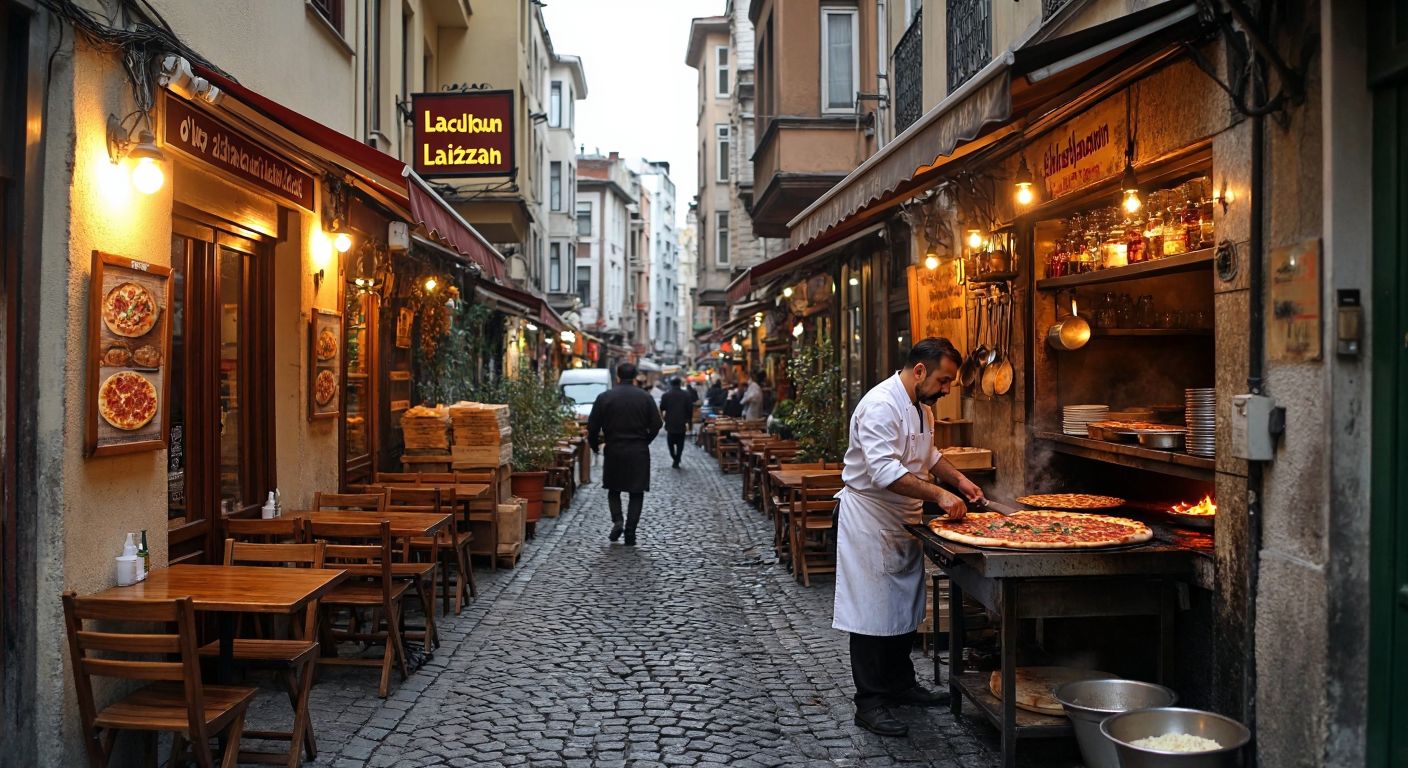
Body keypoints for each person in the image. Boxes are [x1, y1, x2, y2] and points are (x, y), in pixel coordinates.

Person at [833, 337, 984, 737]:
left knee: (902, 607)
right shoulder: (880, 406)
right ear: (920, 371)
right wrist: (938, 493)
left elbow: (929, 456)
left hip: (903, 518)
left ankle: (900, 685)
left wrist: (959, 480)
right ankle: (869, 702)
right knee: (869, 613)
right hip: (869, 517)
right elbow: (884, 472)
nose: (948, 388)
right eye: (944, 380)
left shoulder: (921, 408)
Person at [587, 362, 664, 545]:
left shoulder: (605, 397)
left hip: (614, 449)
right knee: (636, 492)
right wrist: (646, 440)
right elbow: (657, 424)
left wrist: (594, 445)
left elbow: (592, 426)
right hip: (638, 450)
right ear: (636, 376)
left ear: (617, 377)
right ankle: (630, 532)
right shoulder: (645, 397)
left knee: (613, 488)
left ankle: (618, 520)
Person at [659, 378, 693, 468]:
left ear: (671, 384)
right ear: (680, 384)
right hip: (682, 422)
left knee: (670, 442)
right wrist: (689, 422)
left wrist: (663, 418)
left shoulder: (666, 395)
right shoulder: (686, 395)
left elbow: (662, 408)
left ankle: (675, 458)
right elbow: (690, 410)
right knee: (680, 443)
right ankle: (677, 459)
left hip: (670, 422)